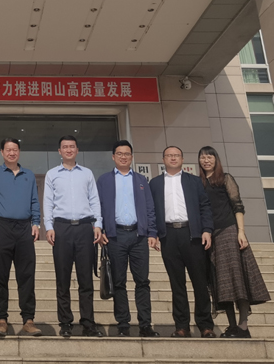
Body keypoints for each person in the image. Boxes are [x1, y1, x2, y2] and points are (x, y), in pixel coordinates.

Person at [198, 146, 270, 338]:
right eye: (203, 157)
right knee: (222, 284)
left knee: (237, 280)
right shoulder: (199, 183)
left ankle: (243, 326)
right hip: (210, 238)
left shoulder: (225, 178)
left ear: (216, 159)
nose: (206, 160)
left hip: (229, 232)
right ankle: (232, 326)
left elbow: (237, 205)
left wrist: (241, 232)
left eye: (210, 157)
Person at [149, 146, 216, 338]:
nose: (173, 158)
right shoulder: (155, 183)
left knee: (200, 282)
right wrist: (153, 233)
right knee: (177, 284)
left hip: (192, 234)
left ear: (182, 159)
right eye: (169, 155)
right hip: (168, 236)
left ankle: (205, 325)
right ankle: (182, 326)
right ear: (163, 159)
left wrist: (207, 230)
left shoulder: (194, 181)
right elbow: (151, 211)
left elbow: (205, 207)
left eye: (176, 155)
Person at [97, 140, 160, 337]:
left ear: (131, 157)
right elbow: (97, 207)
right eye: (119, 153)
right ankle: (123, 324)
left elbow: (150, 208)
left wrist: (152, 232)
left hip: (138, 236)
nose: (123, 157)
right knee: (118, 282)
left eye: (127, 154)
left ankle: (145, 325)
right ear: (113, 157)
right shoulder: (104, 180)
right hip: (115, 236)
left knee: (142, 281)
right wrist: (100, 229)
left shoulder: (141, 180)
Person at [43, 135, 104, 338]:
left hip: (85, 228)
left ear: (77, 150)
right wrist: (49, 226)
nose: (68, 150)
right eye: (65, 147)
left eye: (72, 146)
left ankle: (88, 323)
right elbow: (48, 202)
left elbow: (94, 200)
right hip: (62, 228)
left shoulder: (87, 173)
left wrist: (98, 224)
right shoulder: (52, 174)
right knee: (63, 279)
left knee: (86, 279)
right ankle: (65, 323)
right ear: (59, 151)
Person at [0, 138, 42, 337]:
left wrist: (36, 222)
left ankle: (28, 320)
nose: (11, 153)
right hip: (1, 227)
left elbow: (34, 200)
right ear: (2, 152)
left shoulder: (29, 175)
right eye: (8, 150)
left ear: (19, 152)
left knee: (27, 275)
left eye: (15, 149)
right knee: (0, 275)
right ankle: (1, 320)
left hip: (24, 228)